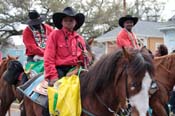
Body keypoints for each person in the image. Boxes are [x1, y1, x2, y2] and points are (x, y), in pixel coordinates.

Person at [44, 7, 88, 86]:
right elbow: (48, 57)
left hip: (76, 69)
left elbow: (83, 61)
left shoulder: (80, 39)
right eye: (65, 20)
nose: (68, 22)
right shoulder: (55, 35)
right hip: (59, 70)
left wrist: (85, 56)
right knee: (56, 93)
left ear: (75, 23)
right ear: (62, 22)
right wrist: (53, 76)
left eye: (71, 20)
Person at [22, 10, 53, 76]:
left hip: (50, 54)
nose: (37, 24)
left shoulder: (48, 28)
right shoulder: (26, 31)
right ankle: (24, 85)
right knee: (28, 74)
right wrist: (45, 53)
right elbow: (32, 47)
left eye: (38, 22)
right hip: (33, 56)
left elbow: (54, 40)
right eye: (34, 23)